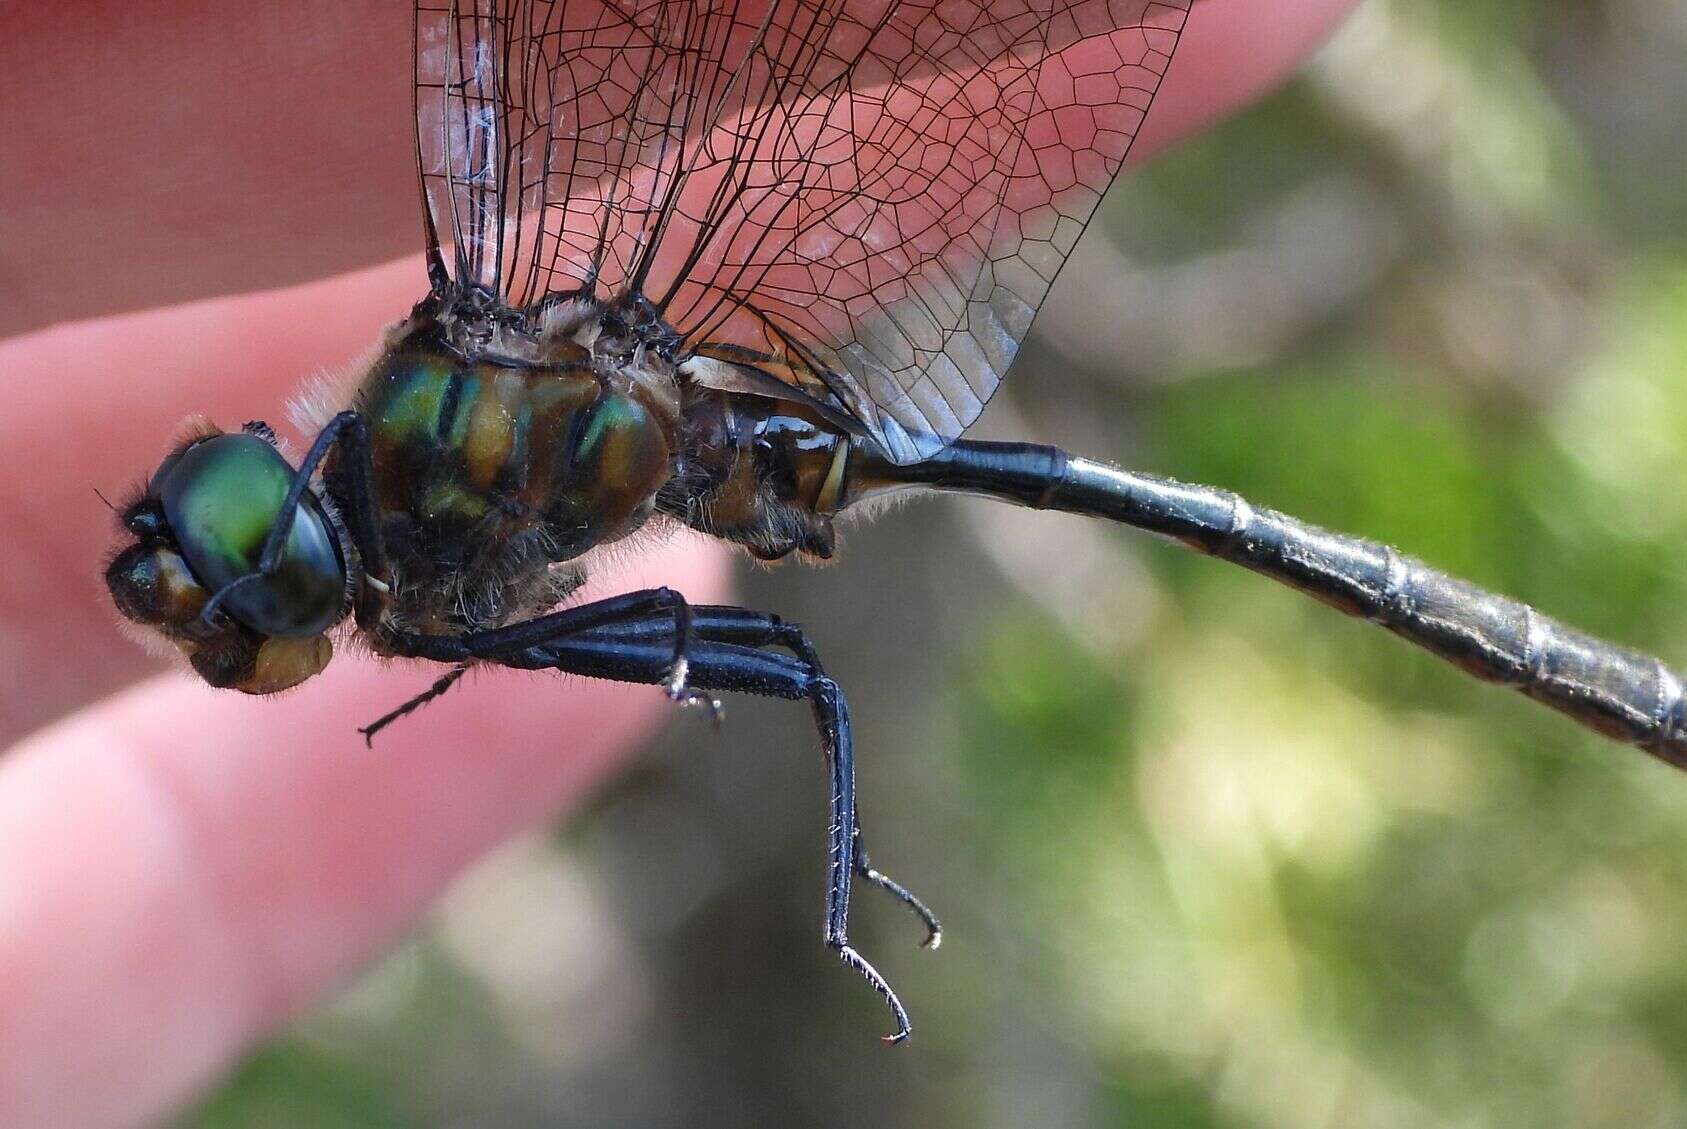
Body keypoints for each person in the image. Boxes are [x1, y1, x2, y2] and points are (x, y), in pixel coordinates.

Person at [0, 1, 1352, 1123]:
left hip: (731, 428)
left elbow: (627, 612)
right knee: (794, 671)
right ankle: (843, 909)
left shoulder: (459, 449)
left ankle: (837, 916)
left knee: (807, 675)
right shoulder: (419, 504)